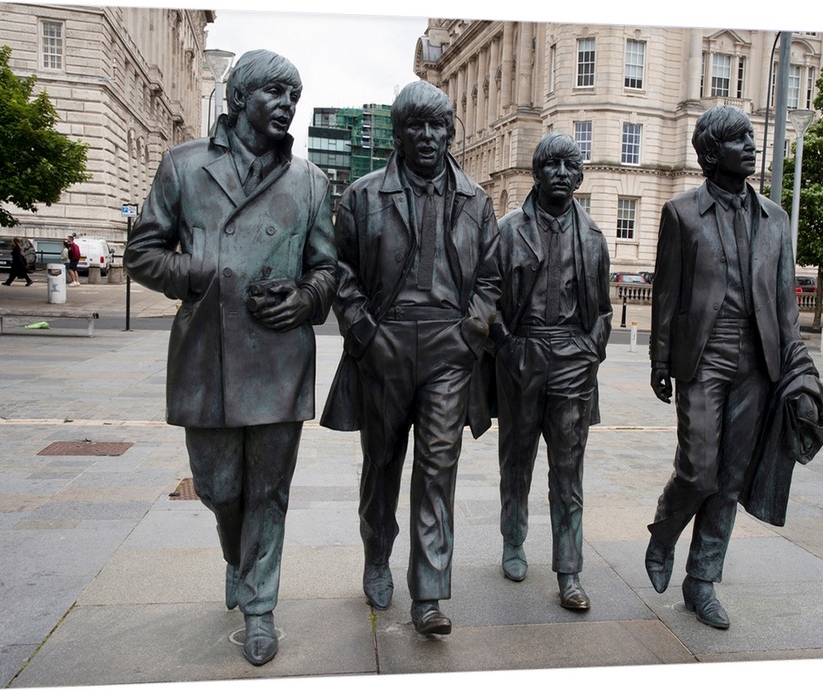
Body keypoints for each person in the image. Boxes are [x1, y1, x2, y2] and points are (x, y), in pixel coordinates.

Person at [125, 49, 337, 665]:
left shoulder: (311, 181)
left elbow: (328, 268)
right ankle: (237, 558)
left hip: (279, 357)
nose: (287, 105)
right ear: (240, 98)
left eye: (294, 95)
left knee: (269, 491)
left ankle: (260, 608)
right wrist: (200, 272)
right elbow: (142, 253)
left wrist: (306, 298)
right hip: (206, 357)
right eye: (275, 92)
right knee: (219, 488)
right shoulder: (184, 166)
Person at [321, 80, 500, 636]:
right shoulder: (363, 196)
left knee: (438, 468)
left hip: (450, 347)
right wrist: (364, 333)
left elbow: (491, 278)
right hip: (386, 343)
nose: (427, 136)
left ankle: (429, 593)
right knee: (382, 465)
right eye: (415, 126)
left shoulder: (476, 200)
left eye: (437, 125)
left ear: (450, 132)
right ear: (398, 134)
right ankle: (377, 554)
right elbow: (341, 271)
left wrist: (472, 331)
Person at [645, 105, 823, 629]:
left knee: (729, 477)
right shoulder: (681, 213)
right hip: (703, 355)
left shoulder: (776, 218)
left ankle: (702, 581)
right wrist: (660, 358)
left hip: (759, 361)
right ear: (711, 152)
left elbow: (786, 304)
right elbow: (667, 293)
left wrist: (796, 367)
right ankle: (664, 531)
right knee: (698, 468)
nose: (751, 146)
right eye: (738, 139)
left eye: (751, 138)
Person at [491, 133, 611, 609]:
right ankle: (513, 539)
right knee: (516, 460)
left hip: (572, 357)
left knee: (568, 469)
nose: (561, 173)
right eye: (551, 164)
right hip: (522, 353)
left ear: (579, 176)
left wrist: (589, 351)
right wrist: (506, 346)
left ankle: (570, 571)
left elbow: (603, 309)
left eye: (570, 165)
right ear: (536, 172)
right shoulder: (508, 230)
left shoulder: (593, 236)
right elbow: (487, 296)